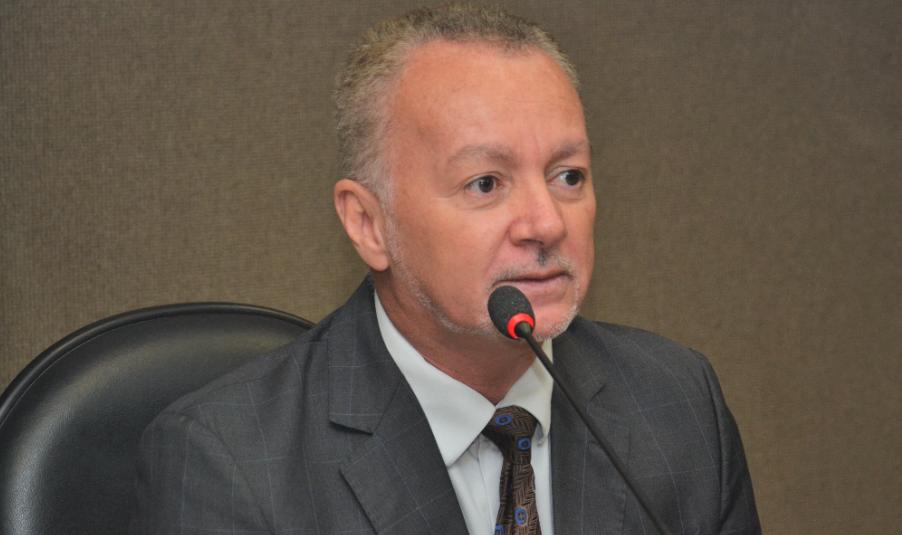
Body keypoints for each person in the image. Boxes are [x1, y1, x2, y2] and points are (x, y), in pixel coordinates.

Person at [133, 4, 759, 534]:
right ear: (369, 224)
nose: (546, 223)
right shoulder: (229, 461)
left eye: (568, 176)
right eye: (486, 183)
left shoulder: (677, 402)